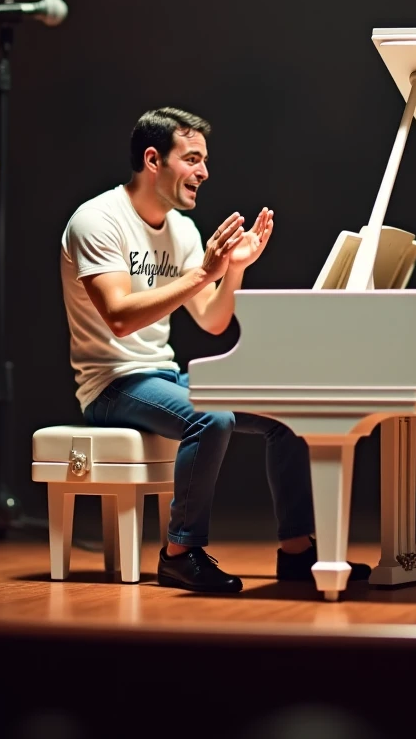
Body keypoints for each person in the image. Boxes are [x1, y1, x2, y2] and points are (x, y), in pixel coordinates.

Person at [60, 107, 370, 594]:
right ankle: (179, 554)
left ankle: (296, 551)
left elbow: (212, 318)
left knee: (286, 414)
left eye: (205, 160)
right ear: (152, 159)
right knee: (214, 418)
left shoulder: (181, 229)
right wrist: (203, 273)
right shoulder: (96, 220)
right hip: (111, 384)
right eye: (193, 158)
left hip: (161, 375)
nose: (204, 172)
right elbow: (119, 318)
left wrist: (235, 270)